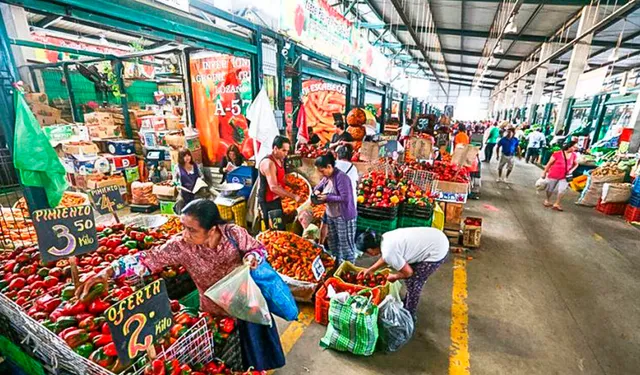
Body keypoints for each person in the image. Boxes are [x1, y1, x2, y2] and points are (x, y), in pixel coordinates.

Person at [76, 200, 285, 371]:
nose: (185, 234)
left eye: (192, 230)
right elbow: (148, 258)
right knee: (227, 357)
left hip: (247, 304)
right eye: (183, 227)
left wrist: (251, 259)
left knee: (257, 349)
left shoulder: (233, 234)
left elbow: (258, 249)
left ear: (212, 229)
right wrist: (108, 271)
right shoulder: (181, 246)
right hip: (215, 311)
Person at [356, 227, 449, 317]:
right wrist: (371, 269)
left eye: (367, 252)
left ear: (370, 249)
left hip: (437, 251)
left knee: (414, 282)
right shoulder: (385, 238)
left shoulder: (388, 252)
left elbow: (408, 273)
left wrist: (395, 277)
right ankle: (408, 302)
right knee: (409, 275)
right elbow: (387, 257)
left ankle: (409, 314)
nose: (369, 254)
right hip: (436, 237)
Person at [314, 154, 357, 263]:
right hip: (331, 216)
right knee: (334, 244)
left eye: (322, 171)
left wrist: (327, 197)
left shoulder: (342, 178)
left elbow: (345, 197)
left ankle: (350, 269)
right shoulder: (327, 177)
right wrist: (317, 191)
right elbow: (318, 187)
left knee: (345, 245)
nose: (321, 174)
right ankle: (338, 266)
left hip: (343, 216)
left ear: (329, 167)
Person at [258, 136, 303, 228]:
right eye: (283, 150)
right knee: (275, 230)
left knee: (280, 225)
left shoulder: (280, 159)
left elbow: (280, 177)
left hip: (276, 198)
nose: (286, 154)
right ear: (275, 148)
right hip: (268, 201)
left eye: (287, 151)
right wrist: (294, 196)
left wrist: (291, 185)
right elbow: (273, 187)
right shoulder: (269, 163)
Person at [542, 141, 579, 211]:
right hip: (554, 174)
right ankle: (547, 200)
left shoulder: (574, 155)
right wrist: (544, 172)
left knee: (562, 189)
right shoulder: (557, 154)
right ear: (569, 146)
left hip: (565, 176)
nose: (575, 148)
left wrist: (571, 170)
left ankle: (557, 203)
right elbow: (549, 164)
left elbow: (576, 164)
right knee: (550, 189)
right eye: (574, 147)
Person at [173, 149, 208, 214]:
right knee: (180, 201)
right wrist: (177, 184)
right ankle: (180, 218)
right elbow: (174, 179)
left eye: (188, 155)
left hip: (196, 191)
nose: (187, 158)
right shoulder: (177, 167)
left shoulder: (195, 166)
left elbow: (202, 176)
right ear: (181, 157)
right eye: (185, 156)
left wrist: (200, 182)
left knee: (198, 202)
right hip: (184, 192)